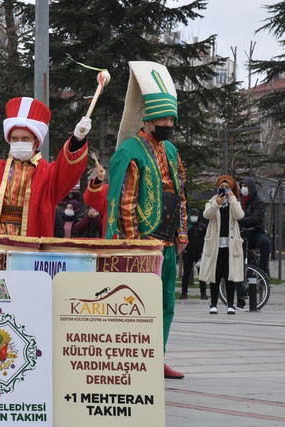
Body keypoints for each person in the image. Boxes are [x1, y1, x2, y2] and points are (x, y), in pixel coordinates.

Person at [105, 61, 187, 379]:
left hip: (167, 243)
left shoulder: (172, 152)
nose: (168, 123)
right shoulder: (129, 151)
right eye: (163, 117)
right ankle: (132, 359)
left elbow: (180, 194)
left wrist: (182, 233)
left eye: (171, 118)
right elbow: (124, 201)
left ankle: (157, 356)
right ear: (148, 118)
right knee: (134, 305)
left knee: (166, 303)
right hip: (141, 245)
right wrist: (134, 244)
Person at [0, 97, 90, 237]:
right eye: (15, 139)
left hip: (30, 245)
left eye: (25, 138)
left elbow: (67, 169)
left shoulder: (48, 175)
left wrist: (77, 140)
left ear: (35, 142)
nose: (19, 142)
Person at [200, 176, 244, 315]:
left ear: (231, 189)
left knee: (230, 275)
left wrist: (232, 199)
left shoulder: (234, 202)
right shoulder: (212, 201)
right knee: (215, 274)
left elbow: (239, 215)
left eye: (227, 187)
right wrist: (216, 204)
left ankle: (231, 304)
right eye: (222, 187)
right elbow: (206, 215)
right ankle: (213, 304)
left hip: (231, 245)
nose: (224, 190)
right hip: (215, 245)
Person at [238, 178, 270, 280]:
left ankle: (263, 271)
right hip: (240, 233)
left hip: (255, 231)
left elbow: (255, 219)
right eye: (242, 186)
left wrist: (239, 219)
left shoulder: (258, 202)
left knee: (265, 242)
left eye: (246, 186)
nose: (243, 189)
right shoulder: (237, 200)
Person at [180, 208, 208, 300]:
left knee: (201, 274)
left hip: (199, 253)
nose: (194, 217)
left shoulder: (202, 226)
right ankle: (184, 293)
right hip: (188, 252)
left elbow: (206, 239)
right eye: (192, 215)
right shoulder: (186, 226)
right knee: (186, 273)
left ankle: (203, 293)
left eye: (195, 215)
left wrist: (203, 251)